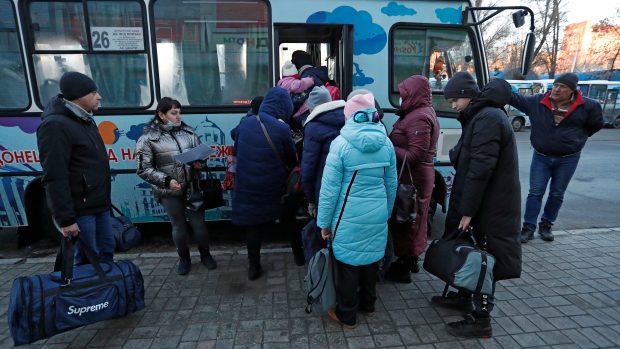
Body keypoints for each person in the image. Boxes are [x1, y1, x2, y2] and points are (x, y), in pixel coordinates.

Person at [430, 73, 521, 338]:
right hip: (483, 200)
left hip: (490, 205)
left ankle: (481, 320)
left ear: (469, 95)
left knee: (484, 259)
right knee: (470, 251)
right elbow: (467, 156)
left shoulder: (488, 119)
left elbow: (480, 169)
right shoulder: (481, 117)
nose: (454, 105)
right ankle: (462, 297)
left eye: (455, 99)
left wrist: (468, 211)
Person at [318, 93, 397, 328]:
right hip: (378, 213)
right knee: (371, 261)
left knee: (348, 265)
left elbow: (329, 190)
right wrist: (387, 213)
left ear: (350, 116)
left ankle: (347, 314)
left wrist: (324, 224)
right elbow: (391, 184)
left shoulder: (340, 144)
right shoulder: (387, 143)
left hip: (348, 217)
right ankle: (368, 304)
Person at [509, 73, 604, 243]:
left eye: (563, 87)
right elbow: (514, 98)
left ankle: (546, 226)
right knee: (535, 192)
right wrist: (498, 85)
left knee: (557, 193)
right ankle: (528, 228)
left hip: (568, 158)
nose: (557, 89)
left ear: (572, 90)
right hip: (541, 157)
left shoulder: (588, 106)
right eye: (556, 85)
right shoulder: (537, 102)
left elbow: (596, 125)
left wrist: (576, 139)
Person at [36, 71, 113, 265]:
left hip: (99, 205)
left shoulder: (84, 118)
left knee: (105, 254)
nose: (99, 97)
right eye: (93, 92)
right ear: (79, 96)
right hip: (82, 211)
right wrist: (66, 219)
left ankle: (105, 294)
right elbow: (55, 175)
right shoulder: (55, 125)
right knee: (87, 261)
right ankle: (86, 295)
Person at [135, 97, 217, 275]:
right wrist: (167, 181)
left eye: (179, 112)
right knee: (178, 226)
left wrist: (199, 164)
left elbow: (200, 157)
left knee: (199, 225)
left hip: (192, 187)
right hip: (169, 191)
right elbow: (143, 169)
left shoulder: (188, 132)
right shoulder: (148, 139)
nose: (178, 116)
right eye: (174, 113)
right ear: (161, 115)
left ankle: (206, 255)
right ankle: (184, 259)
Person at [232, 87, 298, 280]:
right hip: (272, 185)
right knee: (288, 219)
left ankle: (254, 267)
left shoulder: (245, 124)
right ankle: (298, 257)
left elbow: (237, 148)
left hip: (246, 184)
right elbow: (291, 159)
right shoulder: (282, 128)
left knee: (253, 226)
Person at [385, 75, 439, 283]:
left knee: (407, 219)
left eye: (405, 93)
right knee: (412, 218)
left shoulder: (419, 117)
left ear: (414, 93)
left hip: (413, 178)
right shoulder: (416, 113)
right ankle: (411, 259)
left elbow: (414, 155)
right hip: (412, 177)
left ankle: (404, 266)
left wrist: (388, 145)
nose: (401, 96)